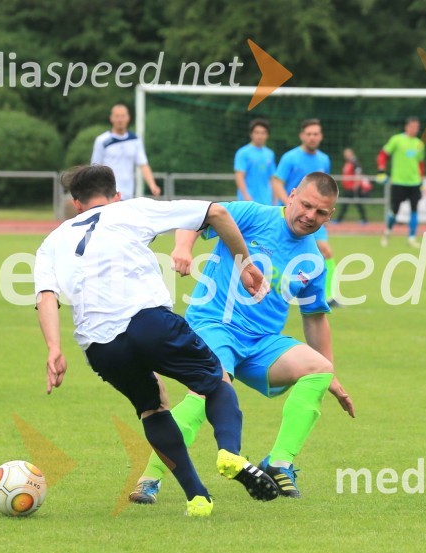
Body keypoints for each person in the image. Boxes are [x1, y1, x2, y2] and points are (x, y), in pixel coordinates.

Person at [34, 165, 278, 517]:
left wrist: (54, 349)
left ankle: (197, 498)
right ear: (116, 195)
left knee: (153, 408)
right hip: (149, 321)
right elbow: (217, 212)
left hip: (100, 346)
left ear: (76, 204)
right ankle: (230, 453)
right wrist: (245, 263)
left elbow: (46, 295)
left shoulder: (52, 240)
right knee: (216, 382)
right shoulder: (131, 208)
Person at [131, 172, 354, 503]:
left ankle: (279, 463)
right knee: (206, 392)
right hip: (213, 325)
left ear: (330, 214)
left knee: (318, 369)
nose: (310, 216)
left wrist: (331, 374)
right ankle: (149, 479)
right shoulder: (253, 215)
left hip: (261, 343)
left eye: (321, 212)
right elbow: (195, 216)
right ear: (291, 196)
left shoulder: (314, 261)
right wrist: (182, 247)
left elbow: (316, 320)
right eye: (306, 205)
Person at [271, 119, 339, 306]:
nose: (312, 137)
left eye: (316, 134)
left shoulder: (324, 159)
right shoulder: (290, 158)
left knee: (326, 251)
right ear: (302, 135)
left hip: (314, 216)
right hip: (294, 215)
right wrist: (290, 203)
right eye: (309, 134)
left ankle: (328, 296)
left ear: (321, 136)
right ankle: (280, 289)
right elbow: (277, 182)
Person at [91, 104, 161, 200]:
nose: (120, 119)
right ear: (111, 118)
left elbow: (143, 164)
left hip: (128, 194)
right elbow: (95, 167)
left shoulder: (135, 140)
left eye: (123, 116)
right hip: (108, 194)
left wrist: (153, 185)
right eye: (117, 116)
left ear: (128, 118)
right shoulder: (102, 140)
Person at [378, 117, 425, 248]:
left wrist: (422, 180)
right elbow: (382, 155)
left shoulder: (419, 144)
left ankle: (411, 237)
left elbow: (421, 164)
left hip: (415, 183)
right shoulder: (397, 140)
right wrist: (381, 170)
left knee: (414, 210)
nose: (416, 129)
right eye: (413, 126)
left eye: (417, 127)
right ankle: (387, 232)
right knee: (395, 210)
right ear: (407, 126)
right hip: (398, 182)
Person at [234, 119, 275, 205]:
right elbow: (239, 176)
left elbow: (272, 178)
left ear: (267, 135)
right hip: (247, 201)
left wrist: (274, 198)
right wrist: (245, 195)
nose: (260, 136)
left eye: (263, 133)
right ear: (251, 134)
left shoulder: (269, 154)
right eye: (257, 132)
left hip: (266, 200)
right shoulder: (243, 152)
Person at [335, 148, 370, 224]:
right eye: (345, 154)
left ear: (351, 153)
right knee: (347, 204)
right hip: (348, 188)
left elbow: (359, 173)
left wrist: (356, 185)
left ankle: (364, 220)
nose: (346, 156)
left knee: (355, 204)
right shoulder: (348, 163)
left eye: (347, 154)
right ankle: (339, 219)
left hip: (353, 188)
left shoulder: (355, 162)